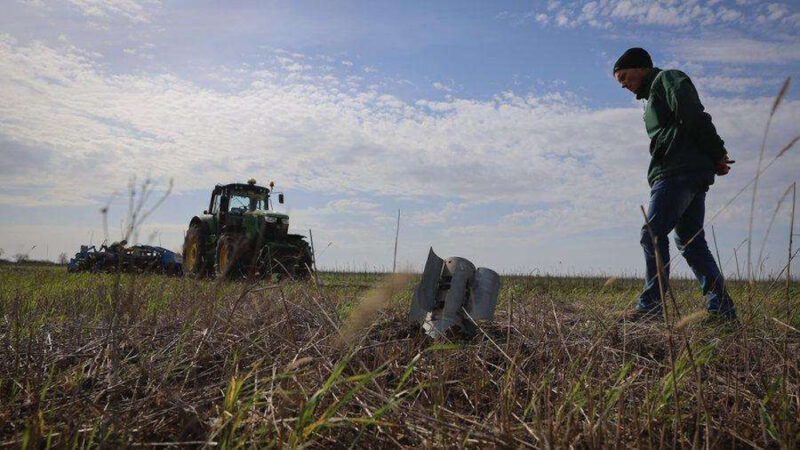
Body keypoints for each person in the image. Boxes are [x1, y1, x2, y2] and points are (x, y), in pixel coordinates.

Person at [613, 47, 737, 322]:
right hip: (686, 172)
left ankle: (650, 308)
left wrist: (717, 152)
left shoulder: (667, 79)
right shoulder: (651, 98)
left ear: (641, 67)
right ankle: (722, 312)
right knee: (690, 242)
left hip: (677, 172)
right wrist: (713, 157)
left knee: (653, 233)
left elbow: (693, 114)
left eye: (624, 77)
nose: (623, 85)